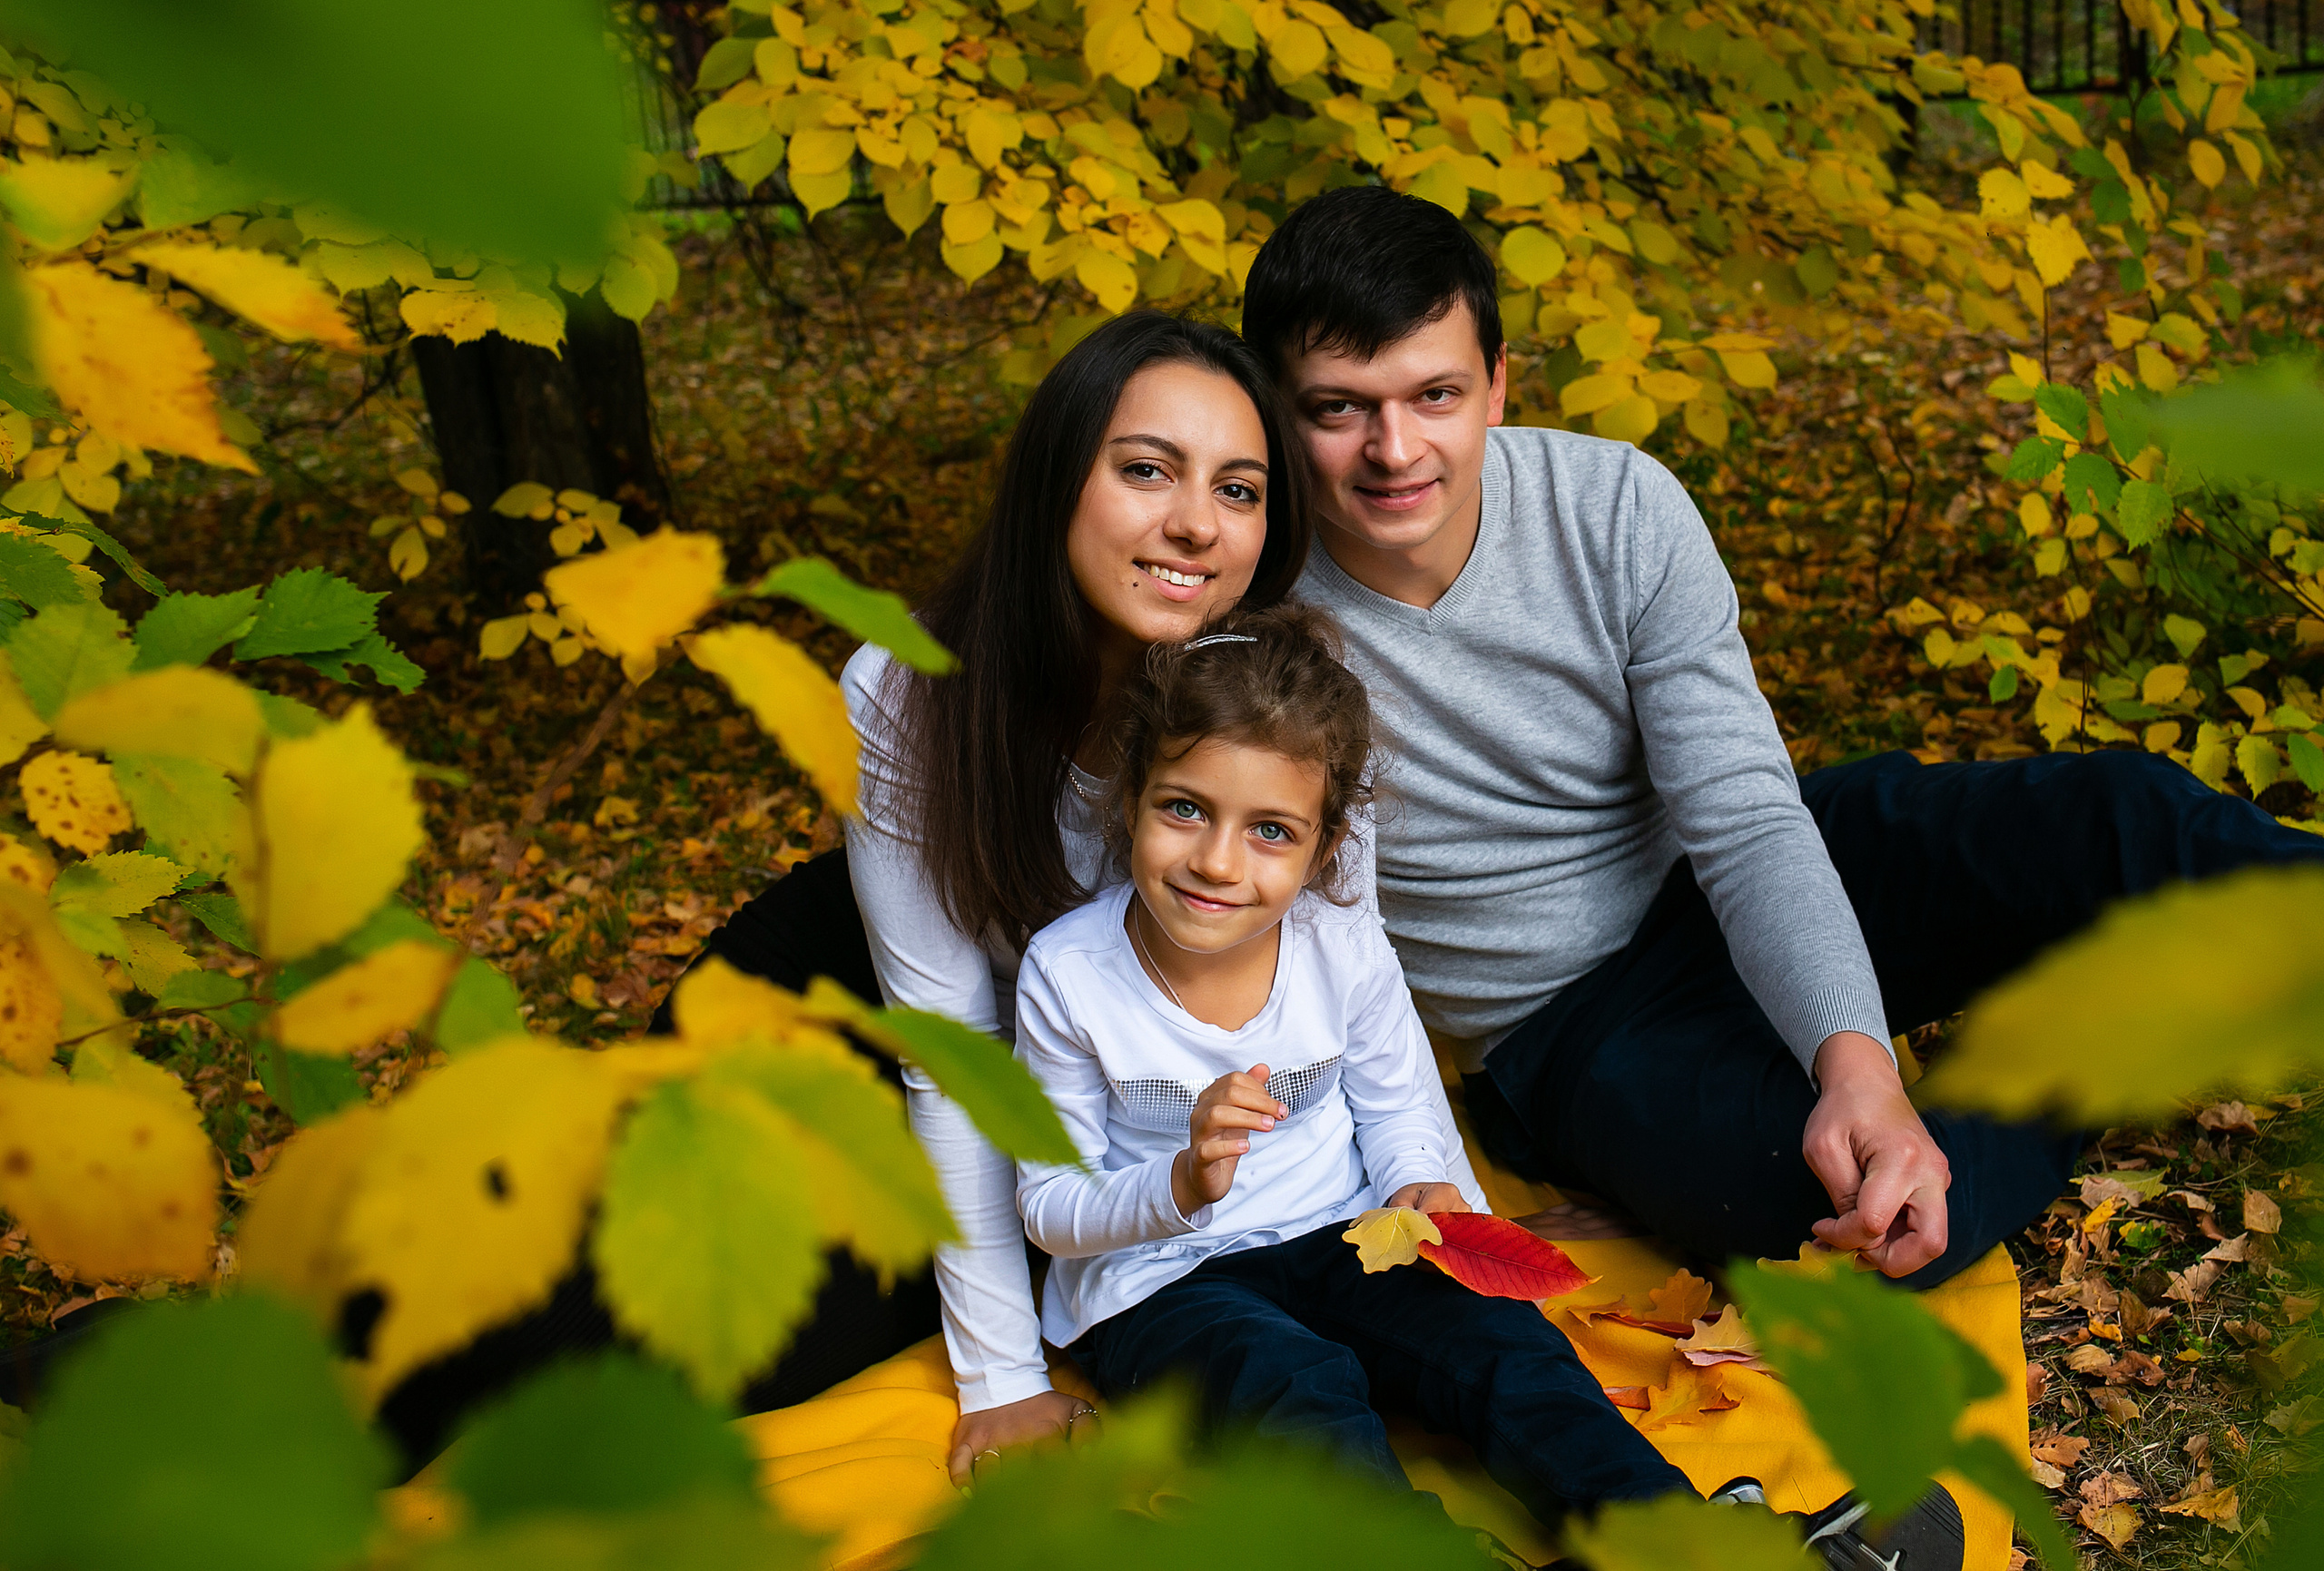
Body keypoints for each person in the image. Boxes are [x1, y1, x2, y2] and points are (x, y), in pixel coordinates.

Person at [1235, 185, 2324, 1290]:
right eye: (1338, 409)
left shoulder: (1615, 507)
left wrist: (1857, 1068)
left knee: (2116, 816)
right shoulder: (1243, 612)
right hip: (1568, 1024)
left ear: (1497, 383)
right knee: (1845, 1216)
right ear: (1277, 412)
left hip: (1730, 872)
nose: (1394, 448)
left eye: (1435, 394)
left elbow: (1746, 818)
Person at [672, 310, 1333, 1485]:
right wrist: (1006, 1384)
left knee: (759, 1340)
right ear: (1053, 478)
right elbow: (947, 1044)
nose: (1195, 521)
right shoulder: (907, 684)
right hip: (855, 988)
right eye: (1145, 470)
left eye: (1239, 489)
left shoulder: (1269, 698)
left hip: (1042, 1065)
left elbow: (1341, 969)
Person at [1010, 605, 1693, 1535]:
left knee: (1500, 1346)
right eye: (1184, 808)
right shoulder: (1068, 973)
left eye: (1271, 832)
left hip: (1343, 1235)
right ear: (1130, 797)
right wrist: (1178, 1181)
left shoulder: (1341, 946)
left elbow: (1396, 1103)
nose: (1216, 861)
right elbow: (1048, 1208)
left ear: (1323, 849)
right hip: (1156, 1285)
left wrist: (1421, 1178)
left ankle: (1674, 1536)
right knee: (1293, 1387)